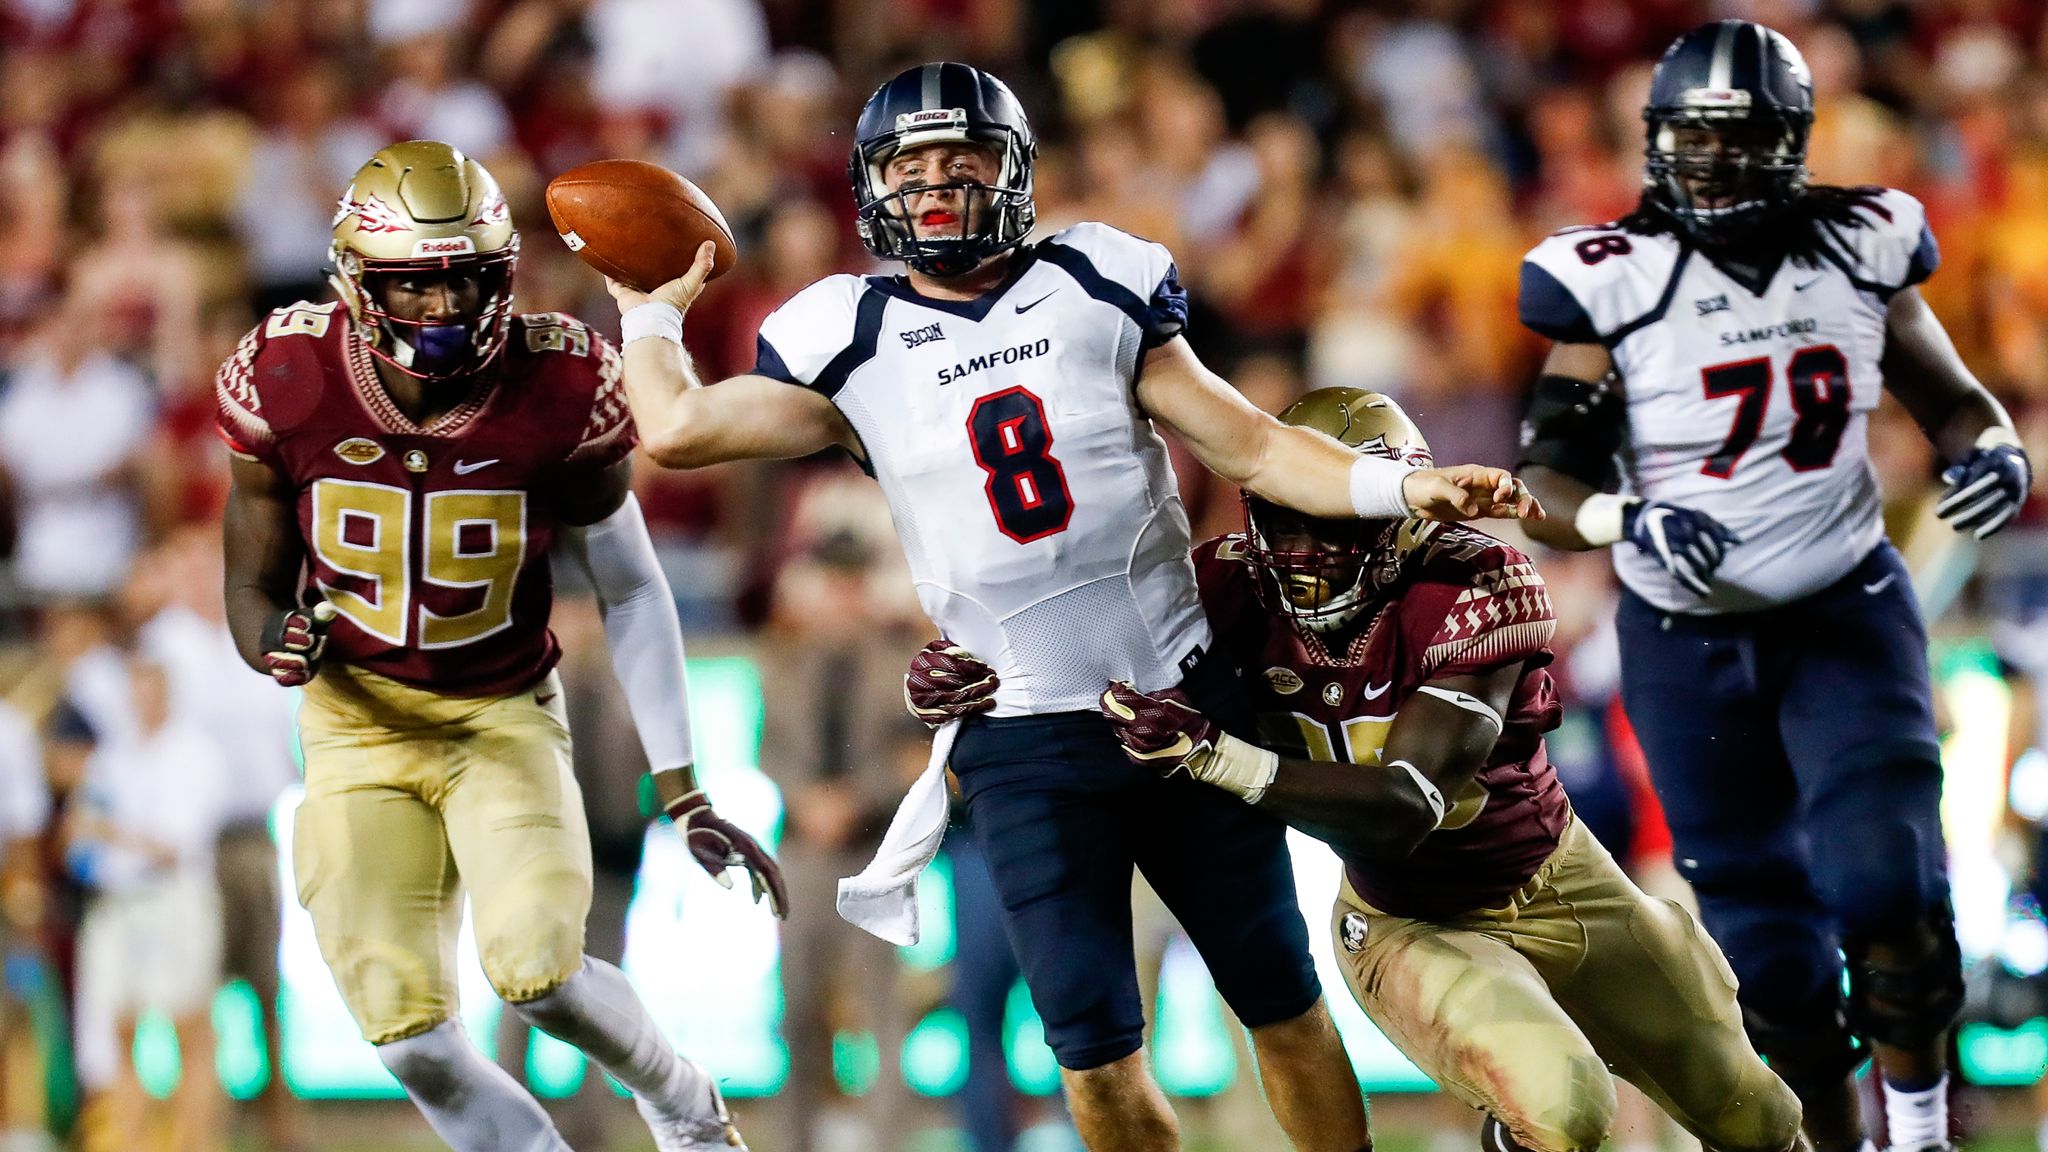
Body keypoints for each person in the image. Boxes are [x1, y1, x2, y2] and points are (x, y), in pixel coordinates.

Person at [602, 61, 1537, 1152]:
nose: (940, 184)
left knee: (1277, 1003)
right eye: (913, 164)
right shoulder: (844, 336)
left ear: (1014, 171)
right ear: (871, 184)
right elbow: (674, 432)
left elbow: (1253, 445)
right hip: (1024, 737)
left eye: (965, 159)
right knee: (1089, 1053)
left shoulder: (1098, 279)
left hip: (1185, 708)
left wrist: (1400, 484)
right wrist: (647, 312)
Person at [910, 390, 1804, 1152]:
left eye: (1334, 520)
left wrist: (1220, 756)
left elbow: (1405, 804)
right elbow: (1073, 660)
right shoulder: (1218, 584)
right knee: (1563, 1106)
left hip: (1561, 879)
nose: (1304, 549)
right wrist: (970, 671)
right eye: (1284, 518)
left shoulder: (1479, 578)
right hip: (1408, 918)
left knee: (1757, 1116)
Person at [1513, 21, 2033, 1152]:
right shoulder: (1614, 276)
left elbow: (1949, 395)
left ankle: (1920, 1129)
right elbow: (1542, 476)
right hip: (1686, 638)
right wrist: (1624, 515)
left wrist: (1990, 447)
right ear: (1653, 142)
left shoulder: (1858, 242)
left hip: (1841, 609)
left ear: (1790, 143)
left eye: (1738, 139)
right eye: (1690, 140)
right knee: (1776, 969)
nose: (1711, 164)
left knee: (1886, 885)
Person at [214, 140, 785, 1152]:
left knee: (540, 973)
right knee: (406, 1036)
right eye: (411, 287)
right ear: (354, 281)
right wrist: (273, 639)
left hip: (498, 717)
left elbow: (633, 585)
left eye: (460, 283)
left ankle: (683, 1105)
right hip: (357, 725)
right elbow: (250, 574)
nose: (438, 311)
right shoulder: (289, 373)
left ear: (501, 276)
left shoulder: (558, 380)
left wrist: (683, 785)